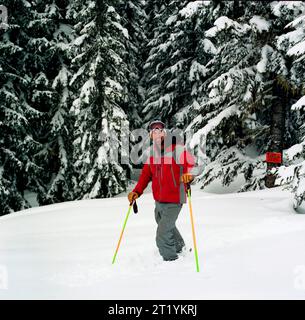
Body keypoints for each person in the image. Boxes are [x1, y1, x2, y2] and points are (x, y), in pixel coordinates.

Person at [128, 120, 196, 261]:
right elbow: (145, 176)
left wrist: (189, 175)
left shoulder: (177, 149)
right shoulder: (153, 154)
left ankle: (171, 260)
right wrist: (136, 192)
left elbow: (191, 163)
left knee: (162, 234)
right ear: (151, 136)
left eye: (159, 130)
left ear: (165, 132)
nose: (156, 134)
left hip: (175, 198)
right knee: (164, 225)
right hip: (159, 200)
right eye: (153, 132)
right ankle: (180, 248)